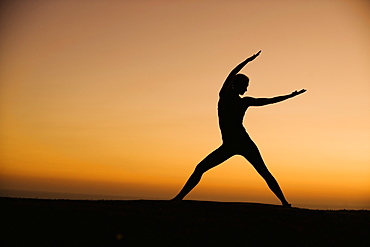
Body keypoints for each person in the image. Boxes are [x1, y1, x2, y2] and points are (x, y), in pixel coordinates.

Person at [171, 51, 306, 207]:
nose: (246, 90)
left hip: (243, 142)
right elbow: (231, 74)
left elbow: (268, 101)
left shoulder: (244, 102)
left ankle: (284, 202)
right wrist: (247, 61)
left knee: (264, 172)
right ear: (237, 85)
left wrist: (290, 96)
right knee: (201, 168)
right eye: (245, 86)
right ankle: (178, 198)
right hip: (229, 145)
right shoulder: (224, 96)